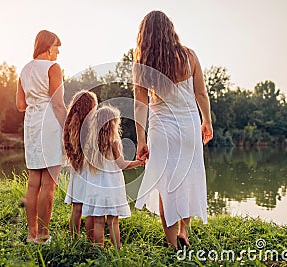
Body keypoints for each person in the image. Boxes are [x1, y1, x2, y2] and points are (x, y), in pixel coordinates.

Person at [133, 11, 213, 249]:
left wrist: (140, 139)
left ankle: (171, 244)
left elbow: (140, 104)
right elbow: (201, 93)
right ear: (171, 29)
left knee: (165, 187)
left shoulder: (142, 64)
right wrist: (207, 120)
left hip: (161, 131)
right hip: (188, 127)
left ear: (144, 35)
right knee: (188, 178)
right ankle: (184, 230)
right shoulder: (189, 56)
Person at [16, 30, 67, 244]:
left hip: (31, 124)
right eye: (56, 47)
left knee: (33, 182)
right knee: (49, 184)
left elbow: (20, 105)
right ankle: (44, 235)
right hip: (50, 125)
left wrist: (35, 100)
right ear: (48, 46)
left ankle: (32, 234)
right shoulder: (53, 68)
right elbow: (57, 103)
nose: (57, 51)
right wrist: (68, 128)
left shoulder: (24, 70)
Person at [82, 106, 145, 249]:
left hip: (96, 187)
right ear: (112, 124)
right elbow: (121, 165)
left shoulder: (90, 143)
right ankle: (117, 249)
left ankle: (99, 248)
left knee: (98, 221)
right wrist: (139, 162)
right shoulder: (114, 143)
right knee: (113, 221)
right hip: (111, 187)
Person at [63, 90, 98, 239]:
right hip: (89, 173)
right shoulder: (92, 125)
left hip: (76, 170)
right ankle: (90, 242)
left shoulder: (70, 124)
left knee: (76, 209)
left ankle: (73, 240)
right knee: (90, 211)